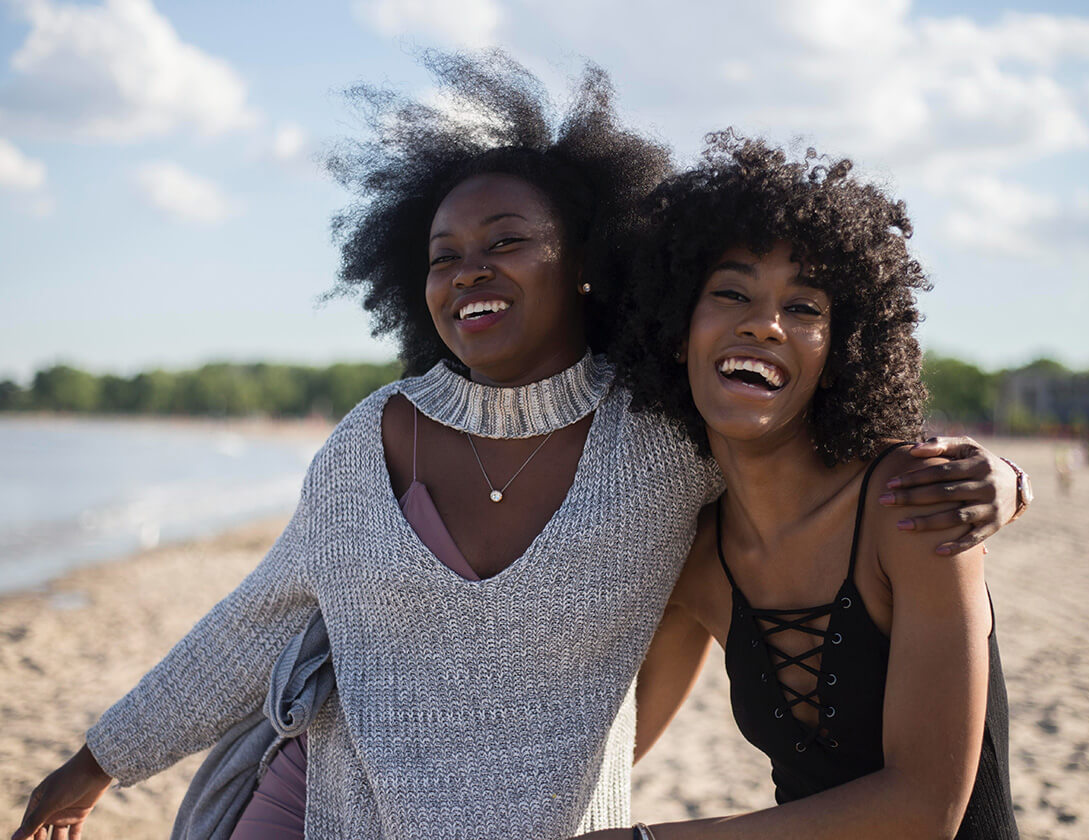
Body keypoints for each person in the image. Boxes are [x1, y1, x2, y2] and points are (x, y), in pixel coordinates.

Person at [12, 57, 1024, 840]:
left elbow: (813, 457)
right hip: (328, 811)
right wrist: (93, 764)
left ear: (588, 266)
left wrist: (1006, 481)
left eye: (506, 241)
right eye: (444, 255)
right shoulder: (368, 443)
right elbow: (251, 625)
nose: (470, 271)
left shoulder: (664, 444)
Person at [581, 134, 1021, 838]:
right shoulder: (694, 555)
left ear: (842, 349)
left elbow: (924, 808)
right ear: (673, 330)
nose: (764, 323)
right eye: (731, 293)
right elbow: (600, 755)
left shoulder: (911, 505)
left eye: (806, 308)